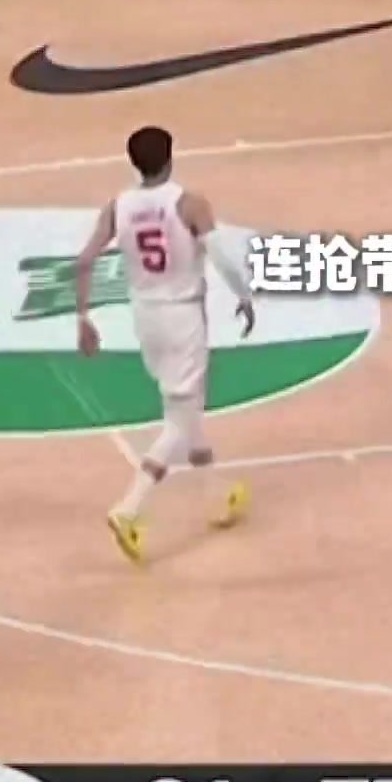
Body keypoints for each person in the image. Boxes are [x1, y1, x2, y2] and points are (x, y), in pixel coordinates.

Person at [75, 124, 253, 563]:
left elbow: (84, 260)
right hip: (182, 316)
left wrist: (83, 317)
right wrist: (245, 296)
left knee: (185, 409)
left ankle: (217, 494)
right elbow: (222, 257)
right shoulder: (189, 203)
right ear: (171, 157)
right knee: (177, 421)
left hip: (146, 318)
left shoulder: (118, 206)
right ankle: (128, 508)